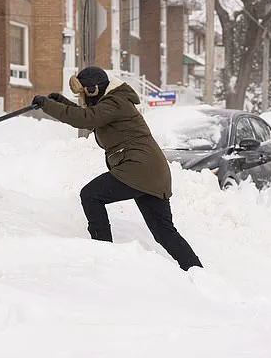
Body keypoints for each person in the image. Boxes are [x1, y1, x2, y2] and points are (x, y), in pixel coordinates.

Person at [31, 66, 203, 271]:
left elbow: (86, 118)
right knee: (163, 231)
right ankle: (196, 271)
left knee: (91, 195)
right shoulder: (111, 104)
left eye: (83, 93)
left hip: (139, 167)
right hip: (151, 171)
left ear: (94, 90)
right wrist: (60, 102)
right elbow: (90, 117)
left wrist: (49, 106)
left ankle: (103, 253)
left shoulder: (115, 102)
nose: (82, 98)